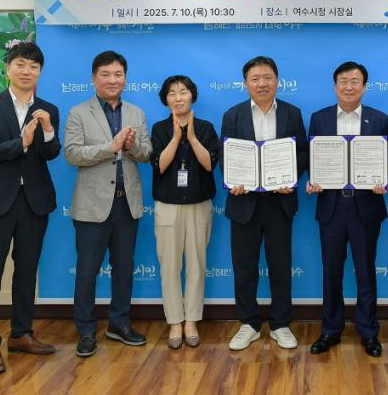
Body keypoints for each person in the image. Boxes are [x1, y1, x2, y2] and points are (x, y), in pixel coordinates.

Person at [0, 42, 60, 374]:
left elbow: (51, 153)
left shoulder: (48, 108)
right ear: (8, 68)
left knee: (26, 270)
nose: (27, 71)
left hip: (34, 201)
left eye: (34, 67)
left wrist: (48, 131)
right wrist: (20, 143)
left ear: (40, 72)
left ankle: (21, 333)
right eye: (21, 64)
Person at [64, 50, 152, 357]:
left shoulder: (136, 113)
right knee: (87, 271)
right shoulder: (78, 112)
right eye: (106, 74)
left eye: (118, 74)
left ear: (125, 78)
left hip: (127, 204)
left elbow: (146, 154)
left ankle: (119, 324)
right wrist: (110, 147)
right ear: (94, 78)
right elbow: (72, 154)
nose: (112, 80)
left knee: (124, 269)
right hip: (92, 206)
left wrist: (132, 146)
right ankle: (86, 330)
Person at [220, 56, 308, 351]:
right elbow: (226, 156)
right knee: (244, 267)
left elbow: (302, 153)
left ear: (277, 81)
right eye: (255, 78)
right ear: (246, 83)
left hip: (279, 201)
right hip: (244, 203)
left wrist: (291, 178)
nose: (262, 83)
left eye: (267, 77)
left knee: (280, 266)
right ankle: (249, 323)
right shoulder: (233, 115)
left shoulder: (292, 113)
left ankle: (281, 324)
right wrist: (234, 180)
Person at [306, 61, 388, 358]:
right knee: (331, 272)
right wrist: (313, 180)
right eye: (343, 81)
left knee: (365, 271)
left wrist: (383, 180)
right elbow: (313, 159)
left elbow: (386, 161)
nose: (349, 86)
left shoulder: (378, 119)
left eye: (355, 81)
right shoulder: (319, 118)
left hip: (365, 207)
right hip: (331, 206)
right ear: (335, 86)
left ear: (364, 87)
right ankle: (330, 329)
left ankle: (368, 331)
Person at [150, 75, 219, 349]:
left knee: (196, 264)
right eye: (172, 93)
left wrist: (190, 137)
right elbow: (160, 165)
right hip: (167, 205)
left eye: (183, 91)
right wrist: (176, 138)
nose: (178, 97)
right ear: (165, 99)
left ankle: (191, 320)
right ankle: (175, 322)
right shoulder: (159, 128)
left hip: (199, 204)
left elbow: (209, 164)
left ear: (192, 95)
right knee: (169, 266)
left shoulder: (205, 128)